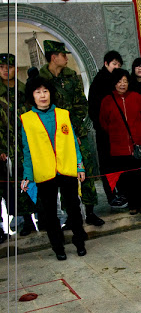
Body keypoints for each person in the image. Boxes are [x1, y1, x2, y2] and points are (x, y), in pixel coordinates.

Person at [20, 77, 87, 260]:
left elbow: (73, 142)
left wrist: (79, 166)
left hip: (66, 168)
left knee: (74, 208)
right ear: (32, 96)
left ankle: (79, 241)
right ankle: (58, 247)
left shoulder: (63, 114)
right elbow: (27, 150)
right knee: (50, 213)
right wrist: (28, 175)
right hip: (44, 172)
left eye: (45, 91)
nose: (42, 95)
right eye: (38, 92)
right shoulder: (26, 120)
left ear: (51, 93)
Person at [39, 40, 104, 226]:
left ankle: (90, 211)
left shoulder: (72, 77)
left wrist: (72, 130)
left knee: (86, 170)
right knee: (64, 176)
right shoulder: (41, 80)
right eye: (63, 55)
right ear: (54, 57)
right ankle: (70, 215)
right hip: (54, 137)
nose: (66, 58)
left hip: (77, 133)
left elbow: (81, 104)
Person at [99, 69, 141, 215]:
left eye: (125, 81)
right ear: (114, 83)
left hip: (138, 145)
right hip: (119, 147)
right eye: (119, 81)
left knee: (140, 176)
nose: (122, 84)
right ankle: (132, 205)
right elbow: (104, 122)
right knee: (125, 178)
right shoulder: (107, 101)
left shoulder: (137, 98)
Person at [0, 52, 36, 239]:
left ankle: (43, 217)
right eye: (2, 68)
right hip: (9, 149)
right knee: (17, 185)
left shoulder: (25, 90)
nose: (6, 71)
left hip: (29, 144)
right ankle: (26, 220)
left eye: (10, 67)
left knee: (35, 180)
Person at [87, 49, 127, 208]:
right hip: (105, 132)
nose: (116, 67)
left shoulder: (117, 80)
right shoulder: (99, 82)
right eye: (114, 64)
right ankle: (112, 195)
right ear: (106, 64)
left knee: (120, 163)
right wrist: (104, 126)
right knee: (107, 164)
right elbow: (93, 109)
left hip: (119, 132)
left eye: (119, 65)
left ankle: (122, 192)